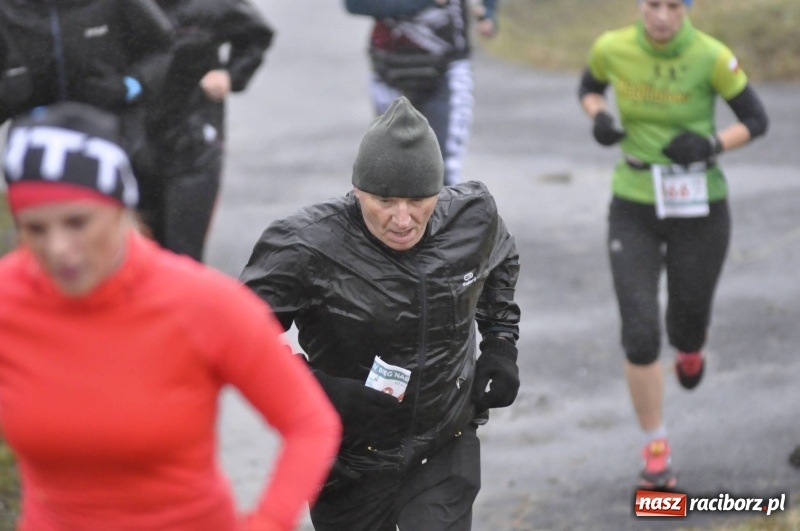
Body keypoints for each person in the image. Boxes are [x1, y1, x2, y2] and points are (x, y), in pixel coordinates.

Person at [0, 101, 341, 530]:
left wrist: (269, 520)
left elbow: (310, 422)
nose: (58, 249)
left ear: (121, 209)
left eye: (77, 222)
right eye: (36, 229)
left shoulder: (201, 303)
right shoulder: (8, 301)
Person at [240, 96, 521, 531]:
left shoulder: (472, 219)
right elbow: (236, 337)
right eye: (385, 200)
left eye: (419, 200)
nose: (403, 219)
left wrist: (501, 345)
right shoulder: (306, 245)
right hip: (350, 461)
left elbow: (502, 259)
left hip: (444, 443)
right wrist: (317, 389)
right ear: (357, 190)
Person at [578, 0, 768, 489]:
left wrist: (710, 145)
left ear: (688, 9)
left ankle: (690, 349)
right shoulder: (612, 46)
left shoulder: (710, 55)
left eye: (671, 6)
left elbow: (756, 119)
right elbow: (590, 88)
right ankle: (656, 447)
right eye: (652, 4)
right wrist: (599, 117)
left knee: (685, 324)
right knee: (640, 332)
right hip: (634, 202)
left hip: (699, 208)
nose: (661, 16)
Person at [142, 0, 275, 262]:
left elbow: (256, 34)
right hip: (132, 135)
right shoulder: (121, 6)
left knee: (182, 250)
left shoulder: (212, 4)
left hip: (194, 135)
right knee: (139, 251)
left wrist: (230, 74)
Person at [0, 0, 175, 174]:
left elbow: (163, 46)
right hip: (35, 141)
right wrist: (10, 90)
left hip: (113, 133)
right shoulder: (7, 9)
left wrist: (129, 85)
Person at [344, 0, 500, 186]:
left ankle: (443, 214)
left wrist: (488, 15)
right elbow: (355, 4)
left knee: (443, 171)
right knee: (392, 174)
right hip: (390, 76)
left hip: (447, 73)